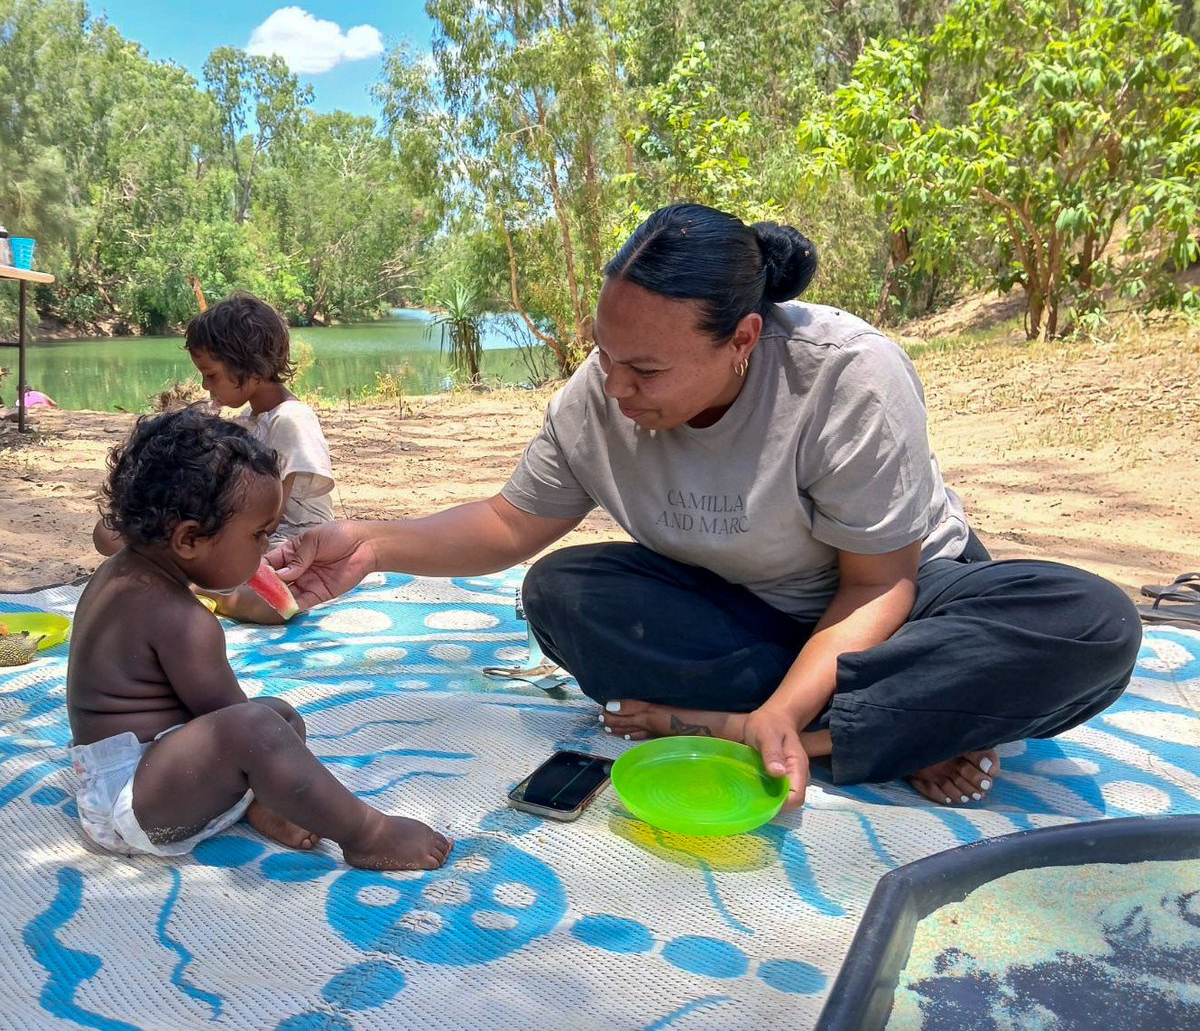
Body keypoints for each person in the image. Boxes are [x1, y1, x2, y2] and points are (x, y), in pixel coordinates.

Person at [267, 202, 1141, 811]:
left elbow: (876, 585)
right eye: (605, 355)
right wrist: (372, 543)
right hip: (750, 613)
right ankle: (904, 722)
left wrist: (784, 708)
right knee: (563, 590)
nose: (616, 387)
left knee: (1093, 623)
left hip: (905, 601)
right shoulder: (596, 395)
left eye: (645, 370)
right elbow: (511, 522)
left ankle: (774, 728)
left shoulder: (846, 376)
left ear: (744, 341)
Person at [68, 407, 452, 870]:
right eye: (258, 535)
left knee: (279, 716)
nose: (266, 549)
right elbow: (235, 725)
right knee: (260, 727)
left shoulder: (119, 574)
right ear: (188, 540)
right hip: (134, 807)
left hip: (143, 775)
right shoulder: (184, 622)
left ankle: (266, 804)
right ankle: (367, 834)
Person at [94, 293, 336, 623]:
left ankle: (205, 593)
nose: (207, 387)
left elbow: (270, 518)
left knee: (279, 606)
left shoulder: (291, 420)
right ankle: (205, 582)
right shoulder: (250, 418)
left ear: (249, 368)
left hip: (284, 544)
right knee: (108, 534)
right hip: (239, 534)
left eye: (211, 376)